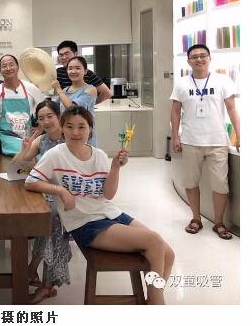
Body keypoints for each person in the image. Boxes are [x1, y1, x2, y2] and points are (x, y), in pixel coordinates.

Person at [26, 106, 175, 305]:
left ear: (90, 130)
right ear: (63, 129)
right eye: (69, 127)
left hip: (109, 213)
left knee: (168, 254)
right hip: (84, 223)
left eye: (82, 127)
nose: (76, 132)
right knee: (154, 241)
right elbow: (30, 182)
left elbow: (108, 195)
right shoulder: (55, 155)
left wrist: (115, 168)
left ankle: (152, 301)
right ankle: (158, 306)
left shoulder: (99, 155)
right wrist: (60, 190)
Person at [170, 44, 240, 240]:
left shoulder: (222, 80)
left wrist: (239, 134)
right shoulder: (182, 83)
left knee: (220, 184)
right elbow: (175, 111)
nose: (199, 59)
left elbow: (232, 109)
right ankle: (196, 219)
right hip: (190, 140)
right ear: (188, 61)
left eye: (203, 55)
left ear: (210, 59)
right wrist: (176, 136)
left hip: (217, 140)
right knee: (191, 182)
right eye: (194, 57)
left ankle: (219, 223)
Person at [13, 100, 72, 304]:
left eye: (50, 116)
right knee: (43, 217)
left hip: (68, 195)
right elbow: (15, 168)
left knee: (52, 220)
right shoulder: (42, 140)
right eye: (41, 118)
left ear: (59, 116)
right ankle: (34, 270)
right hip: (46, 192)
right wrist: (24, 149)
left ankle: (46, 283)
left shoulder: (70, 138)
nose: (46, 121)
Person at [0, 55, 45, 156]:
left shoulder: (30, 88)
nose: (8, 68)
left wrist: (40, 128)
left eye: (11, 65)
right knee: (25, 152)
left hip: (28, 135)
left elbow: (46, 107)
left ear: (18, 67)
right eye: (4, 66)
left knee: (40, 152)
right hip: (7, 137)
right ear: (0, 70)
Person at [52, 56, 98, 146]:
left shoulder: (91, 89)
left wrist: (58, 88)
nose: (73, 71)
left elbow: (72, 107)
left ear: (85, 71)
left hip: (84, 136)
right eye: (70, 68)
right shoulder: (65, 90)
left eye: (77, 68)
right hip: (68, 134)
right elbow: (55, 108)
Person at [56, 40, 112, 104]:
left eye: (66, 54)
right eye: (61, 55)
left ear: (76, 54)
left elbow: (107, 93)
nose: (64, 57)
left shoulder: (87, 74)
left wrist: (88, 103)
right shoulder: (58, 72)